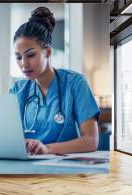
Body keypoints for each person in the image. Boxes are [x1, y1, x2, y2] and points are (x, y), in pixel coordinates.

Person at [10, 6, 100, 155]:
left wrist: (47, 149)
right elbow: (8, 138)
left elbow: (91, 141)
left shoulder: (75, 83)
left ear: (48, 52)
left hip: (65, 169)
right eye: (18, 57)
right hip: (26, 168)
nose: (24, 63)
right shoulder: (17, 90)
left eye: (30, 55)